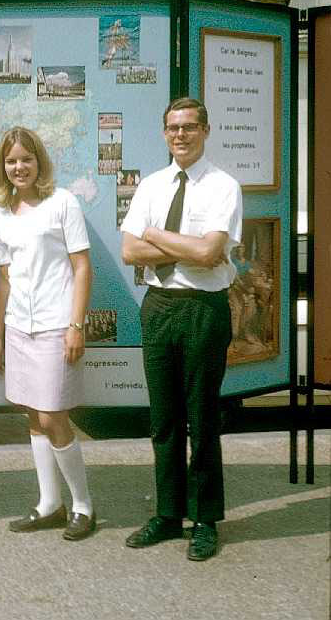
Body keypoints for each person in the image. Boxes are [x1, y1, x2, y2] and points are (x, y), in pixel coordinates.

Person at [120, 97, 242, 561]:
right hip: (159, 306)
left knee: (202, 417)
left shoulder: (223, 187)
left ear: (205, 130)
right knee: (164, 420)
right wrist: (179, 245)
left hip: (202, 309)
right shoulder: (152, 185)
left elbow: (210, 254)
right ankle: (169, 514)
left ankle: (205, 520)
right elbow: (130, 252)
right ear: (165, 132)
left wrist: (154, 235)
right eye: (173, 128)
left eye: (190, 127)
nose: (181, 135)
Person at [0, 127, 96, 541]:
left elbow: (82, 267)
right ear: (4, 167)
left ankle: (83, 506)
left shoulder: (62, 203)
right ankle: (49, 504)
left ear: (40, 163)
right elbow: (5, 278)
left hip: (56, 325)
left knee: (53, 416)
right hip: (19, 326)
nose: (19, 168)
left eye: (26, 160)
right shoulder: (0, 213)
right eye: (12, 161)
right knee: (33, 416)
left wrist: (76, 325)